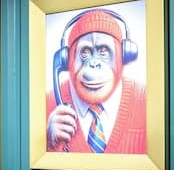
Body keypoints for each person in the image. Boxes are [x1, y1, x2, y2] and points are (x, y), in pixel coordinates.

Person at [46, 8, 146, 154]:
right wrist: (50, 143)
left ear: (123, 55)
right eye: (85, 52)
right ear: (67, 60)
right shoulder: (49, 101)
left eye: (103, 51)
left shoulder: (145, 98)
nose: (94, 64)